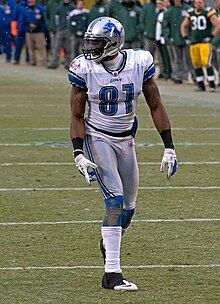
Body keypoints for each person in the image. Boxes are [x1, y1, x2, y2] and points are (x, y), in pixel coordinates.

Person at [68, 16, 178, 291]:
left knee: (128, 209)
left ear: (114, 43)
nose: (91, 48)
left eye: (98, 43)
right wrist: (78, 153)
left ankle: (109, 239)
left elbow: (155, 104)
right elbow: (76, 114)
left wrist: (169, 147)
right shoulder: (85, 69)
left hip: (126, 139)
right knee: (114, 201)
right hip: (98, 138)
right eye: (90, 42)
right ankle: (112, 274)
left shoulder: (139, 62)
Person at [181, 0, 220, 91]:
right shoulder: (190, 13)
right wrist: (185, 37)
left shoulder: (208, 11)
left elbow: (218, 25)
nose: (198, 4)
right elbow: (183, 26)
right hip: (194, 42)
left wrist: (211, 36)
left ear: (203, 3)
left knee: (206, 63)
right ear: (194, 3)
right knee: (196, 63)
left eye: (200, 2)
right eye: (197, 2)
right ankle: (200, 84)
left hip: (204, 42)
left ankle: (211, 84)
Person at [162, 0, 195, 84]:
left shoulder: (189, 9)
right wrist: (168, 38)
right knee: (177, 59)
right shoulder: (169, 12)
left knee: (190, 58)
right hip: (175, 38)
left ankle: (194, 76)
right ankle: (177, 76)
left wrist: (191, 36)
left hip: (187, 38)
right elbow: (165, 26)